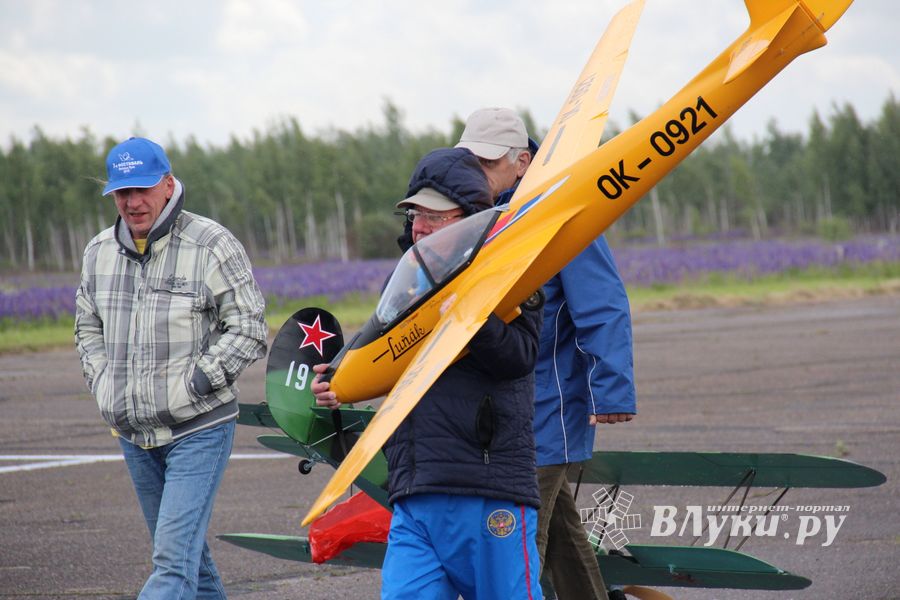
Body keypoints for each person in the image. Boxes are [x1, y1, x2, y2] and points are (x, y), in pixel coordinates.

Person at [312, 147, 544, 600]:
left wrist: (472, 319)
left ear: (471, 220)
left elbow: (520, 356)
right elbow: (377, 351)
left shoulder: (512, 274)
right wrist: (337, 378)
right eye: (416, 213)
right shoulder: (407, 279)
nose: (420, 226)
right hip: (415, 493)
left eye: (435, 216)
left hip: (489, 489)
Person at [75, 136, 268, 599]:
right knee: (191, 566)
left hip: (198, 428)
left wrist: (196, 383)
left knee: (170, 564)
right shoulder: (98, 252)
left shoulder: (211, 243)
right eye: (123, 192)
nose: (133, 202)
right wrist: (104, 385)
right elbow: (87, 329)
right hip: (134, 434)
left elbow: (250, 327)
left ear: (167, 184)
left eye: (142, 189)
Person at [458, 108, 637, 600]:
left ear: (522, 161)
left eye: (488, 162)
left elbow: (602, 303)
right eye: (470, 160)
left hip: (547, 410)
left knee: (517, 549)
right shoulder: (480, 216)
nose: (478, 173)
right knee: (559, 536)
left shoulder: (561, 211)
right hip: (502, 411)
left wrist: (612, 390)